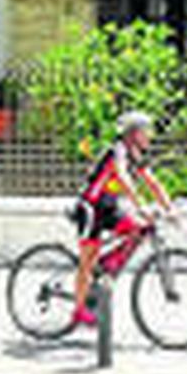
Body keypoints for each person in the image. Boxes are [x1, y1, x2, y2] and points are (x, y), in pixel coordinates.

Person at [69, 109, 175, 328]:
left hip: (108, 207)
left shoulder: (136, 156)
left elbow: (153, 183)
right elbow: (124, 179)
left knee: (140, 228)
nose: (149, 137)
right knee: (87, 260)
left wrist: (170, 209)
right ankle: (78, 310)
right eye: (146, 132)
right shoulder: (117, 151)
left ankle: (108, 263)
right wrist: (141, 206)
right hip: (91, 208)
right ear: (133, 134)